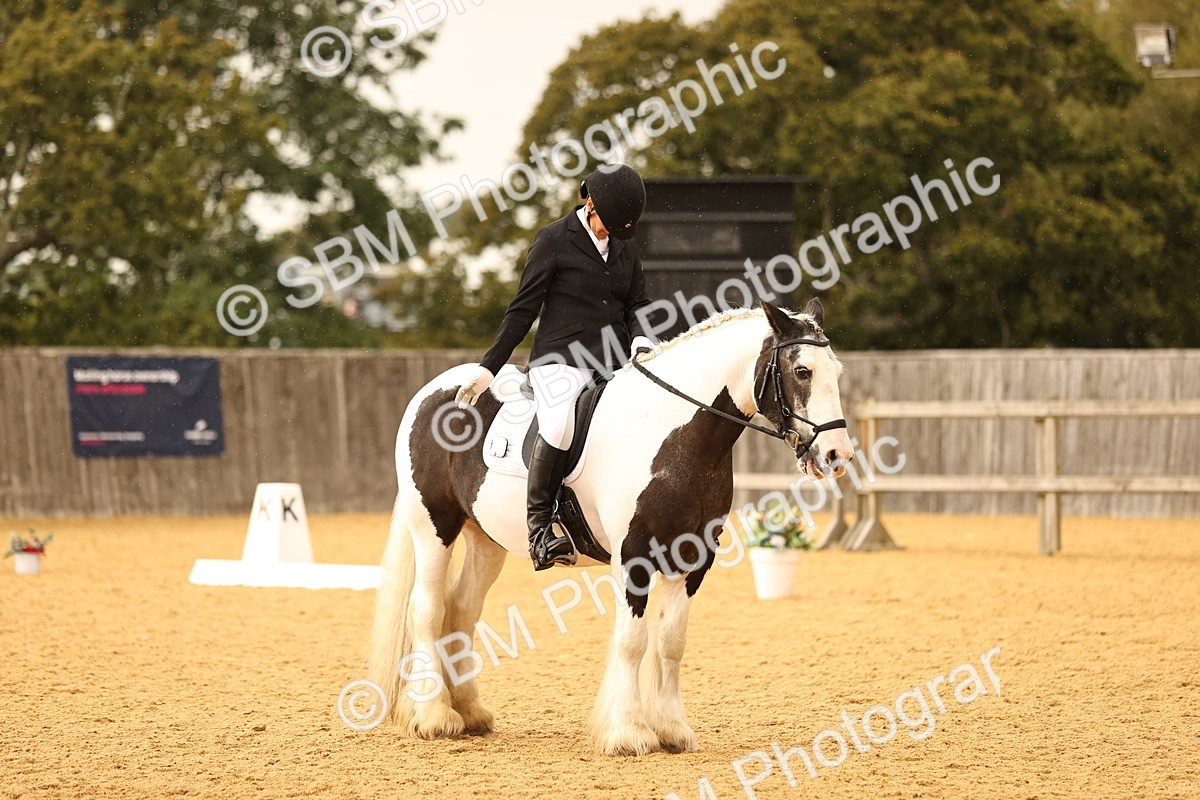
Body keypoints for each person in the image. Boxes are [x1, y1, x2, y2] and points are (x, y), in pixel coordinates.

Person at [455, 164, 654, 570]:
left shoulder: (624, 245)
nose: (609, 235)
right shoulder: (553, 239)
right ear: (589, 203)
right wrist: (489, 367)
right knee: (560, 423)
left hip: (613, 361)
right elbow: (522, 310)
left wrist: (641, 339)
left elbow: (636, 303)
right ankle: (541, 528)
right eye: (606, 225)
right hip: (560, 359)